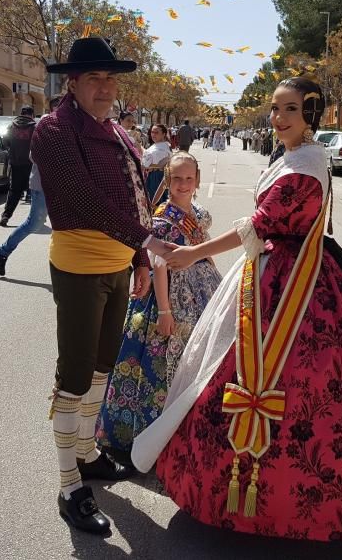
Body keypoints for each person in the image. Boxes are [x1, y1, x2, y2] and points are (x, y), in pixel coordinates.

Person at [132, 77, 342, 542]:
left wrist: (192, 254)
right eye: (276, 109)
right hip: (287, 267)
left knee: (271, 371)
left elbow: (257, 229)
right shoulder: (297, 159)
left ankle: (270, 501)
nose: (279, 119)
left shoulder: (302, 168)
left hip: (291, 279)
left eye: (291, 111)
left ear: (311, 115)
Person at [30, 37, 176, 535]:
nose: (105, 87)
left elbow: (135, 197)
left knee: (101, 370)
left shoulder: (116, 131)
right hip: (78, 268)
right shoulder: (53, 131)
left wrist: (137, 257)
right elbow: (82, 199)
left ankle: (88, 454)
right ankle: (69, 485)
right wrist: (149, 241)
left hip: (118, 267)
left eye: (110, 78)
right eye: (95, 78)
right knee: (73, 377)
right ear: (72, 82)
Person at [97, 152, 222, 461]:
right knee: (160, 365)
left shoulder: (198, 213)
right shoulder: (162, 219)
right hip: (169, 299)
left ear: (197, 182)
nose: (182, 184)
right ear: (167, 180)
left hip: (200, 288)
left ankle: (184, 428)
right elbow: (160, 267)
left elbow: (202, 245)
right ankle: (148, 434)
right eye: (176, 178)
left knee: (194, 361)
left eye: (189, 179)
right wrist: (165, 312)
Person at [0, 97, 62, 276]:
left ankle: (69, 271)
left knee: (68, 226)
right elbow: (34, 155)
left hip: (62, 186)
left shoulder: (71, 126)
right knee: (34, 223)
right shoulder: (44, 125)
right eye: (57, 106)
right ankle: (1, 252)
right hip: (43, 184)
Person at [0, 106, 37, 227]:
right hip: (31, 163)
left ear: (21, 114)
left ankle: (6, 215)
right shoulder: (34, 127)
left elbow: (5, 142)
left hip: (15, 163)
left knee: (15, 190)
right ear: (31, 115)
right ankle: (35, 219)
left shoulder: (12, 126)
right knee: (35, 190)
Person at [143, 124, 173, 207]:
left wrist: (151, 166)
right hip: (152, 176)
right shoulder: (158, 145)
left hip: (158, 177)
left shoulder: (163, 146)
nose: (153, 134)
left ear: (163, 134)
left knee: (157, 203)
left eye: (156, 132)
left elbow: (163, 163)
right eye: (152, 132)